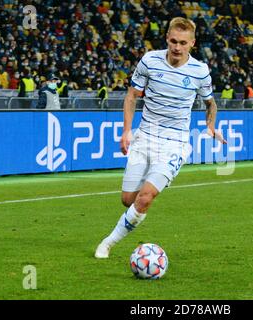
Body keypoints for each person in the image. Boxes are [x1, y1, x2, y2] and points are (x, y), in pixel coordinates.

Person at [95, 17, 227, 259]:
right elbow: (132, 95)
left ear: (192, 43)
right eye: (174, 41)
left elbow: (210, 103)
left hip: (175, 143)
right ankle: (142, 195)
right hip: (145, 136)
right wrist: (126, 130)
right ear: (167, 38)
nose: (177, 47)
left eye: (183, 43)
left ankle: (107, 244)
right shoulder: (150, 61)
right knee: (128, 200)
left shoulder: (200, 71)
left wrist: (211, 127)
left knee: (145, 198)